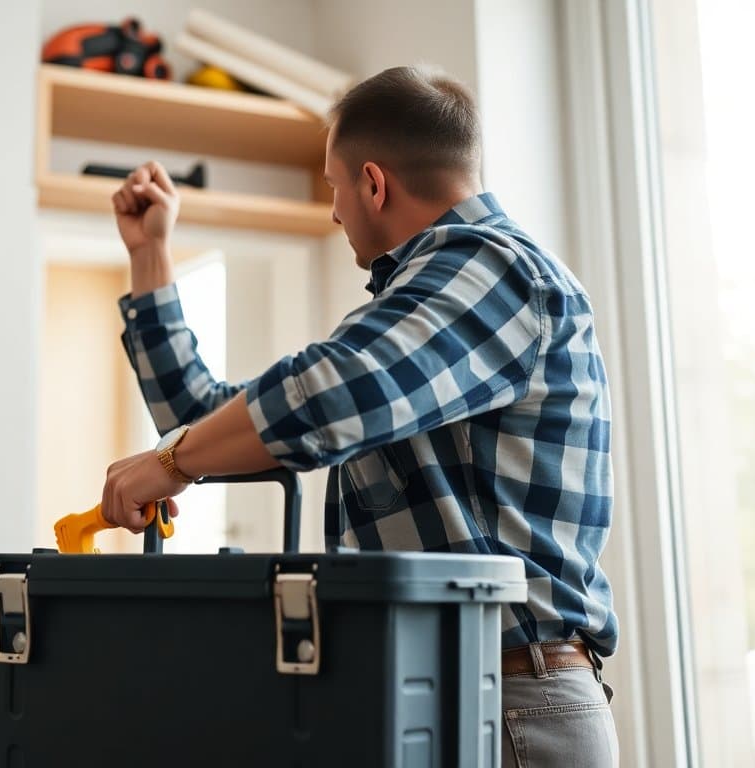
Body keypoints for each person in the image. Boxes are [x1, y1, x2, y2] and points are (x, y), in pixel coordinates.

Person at [101, 65, 618, 766]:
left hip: (512, 700)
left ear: (373, 183)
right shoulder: (418, 313)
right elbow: (218, 420)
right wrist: (151, 256)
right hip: (451, 685)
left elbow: (326, 397)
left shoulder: (497, 271)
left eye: (333, 186)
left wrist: (169, 463)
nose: (335, 210)